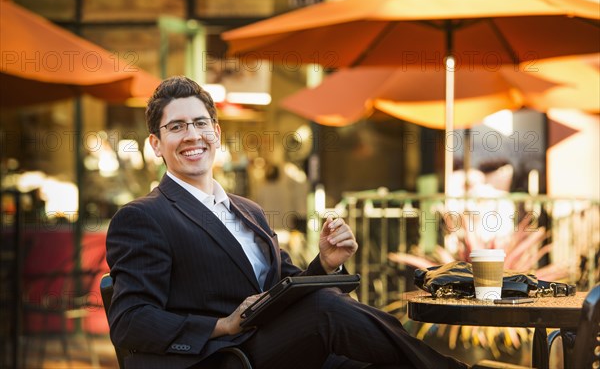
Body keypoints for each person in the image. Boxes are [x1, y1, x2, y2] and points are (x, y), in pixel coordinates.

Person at [105, 76, 468, 369]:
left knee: (370, 358)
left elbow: (285, 289)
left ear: (216, 133)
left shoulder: (248, 210)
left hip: (280, 346)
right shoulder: (143, 216)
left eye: (200, 123)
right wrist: (224, 325)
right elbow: (130, 322)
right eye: (176, 126)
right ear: (156, 144)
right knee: (326, 308)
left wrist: (325, 262)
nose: (192, 135)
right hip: (224, 356)